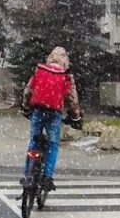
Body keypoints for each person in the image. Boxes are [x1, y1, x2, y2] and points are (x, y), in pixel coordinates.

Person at [20, 47, 83, 191]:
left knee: (34, 141)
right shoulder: (66, 75)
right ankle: (47, 177)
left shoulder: (41, 70)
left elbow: (28, 90)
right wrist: (76, 116)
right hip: (54, 112)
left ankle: (27, 175)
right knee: (53, 144)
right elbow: (72, 99)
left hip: (38, 110)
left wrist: (25, 107)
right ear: (65, 60)